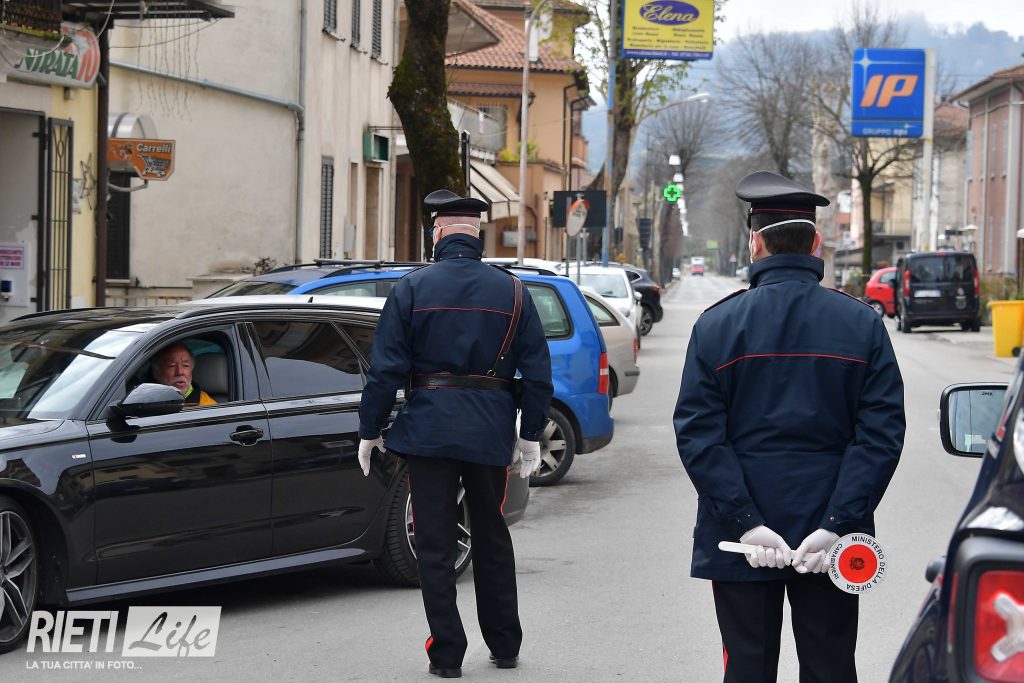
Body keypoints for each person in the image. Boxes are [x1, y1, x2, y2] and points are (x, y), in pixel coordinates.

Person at [673, 171, 905, 682]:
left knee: (748, 665)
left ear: (755, 242)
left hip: (743, 538)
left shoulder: (716, 325)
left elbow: (699, 436)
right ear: (815, 242)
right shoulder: (861, 323)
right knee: (830, 666)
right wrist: (837, 523)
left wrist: (745, 522)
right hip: (831, 535)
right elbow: (881, 437)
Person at [357, 189, 553, 679]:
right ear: (478, 234)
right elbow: (538, 373)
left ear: (438, 233)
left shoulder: (411, 288)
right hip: (489, 432)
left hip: (428, 431)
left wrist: (369, 429)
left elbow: (385, 370)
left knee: (435, 544)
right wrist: (530, 434)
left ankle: (446, 654)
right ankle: (504, 643)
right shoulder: (513, 291)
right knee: (491, 536)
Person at [152, 343, 216, 406]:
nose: (180, 372)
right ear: (157, 373)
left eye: (185, 365)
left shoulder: (207, 407)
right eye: (172, 365)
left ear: (191, 370)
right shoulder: (149, 400)